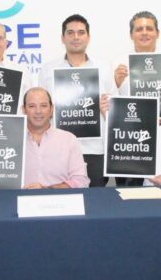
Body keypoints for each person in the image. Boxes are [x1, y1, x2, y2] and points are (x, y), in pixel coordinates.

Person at [0, 88, 89, 189]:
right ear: (24, 110)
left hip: (59, 205)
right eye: (32, 106)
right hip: (15, 205)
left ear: (51, 109)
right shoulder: (6, 140)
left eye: (43, 105)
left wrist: (47, 189)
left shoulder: (68, 139)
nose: (38, 111)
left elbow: (81, 181)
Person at [37, 14, 112, 187]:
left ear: (88, 37)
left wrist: (106, 109)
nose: (76, 37)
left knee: (95, 199)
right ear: (62, 38)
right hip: (57, 148)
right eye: (70, 33)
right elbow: (41, 109)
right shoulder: (48, 70)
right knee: (59, 198)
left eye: (81, 32)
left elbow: (113, 109)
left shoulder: (104, 68)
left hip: (95, 149)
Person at [113, 10, 161, 186]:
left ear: (157, 33)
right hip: (130, 140)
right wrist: (116, 83)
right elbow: (109, 104)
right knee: (129, 193)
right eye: (139, 29)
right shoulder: (118, 63)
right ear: (131, 34)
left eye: (149, 29)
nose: (144, 33)